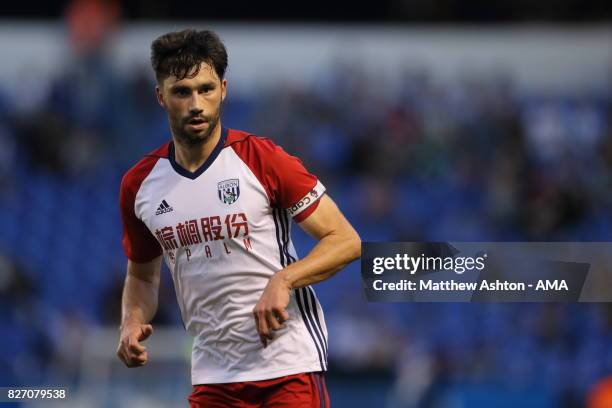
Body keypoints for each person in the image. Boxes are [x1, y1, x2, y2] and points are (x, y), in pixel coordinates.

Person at [116, 29, 361, 407]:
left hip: (287, 366)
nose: (197, 103)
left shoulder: (262, 160)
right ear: (161, 97)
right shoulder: (140, 186)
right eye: (182, 91)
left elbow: (346, 240)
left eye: (206, 89)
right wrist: (131, 320)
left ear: (224, 90)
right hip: (213, 377)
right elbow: (142, 275)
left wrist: (284, 280)